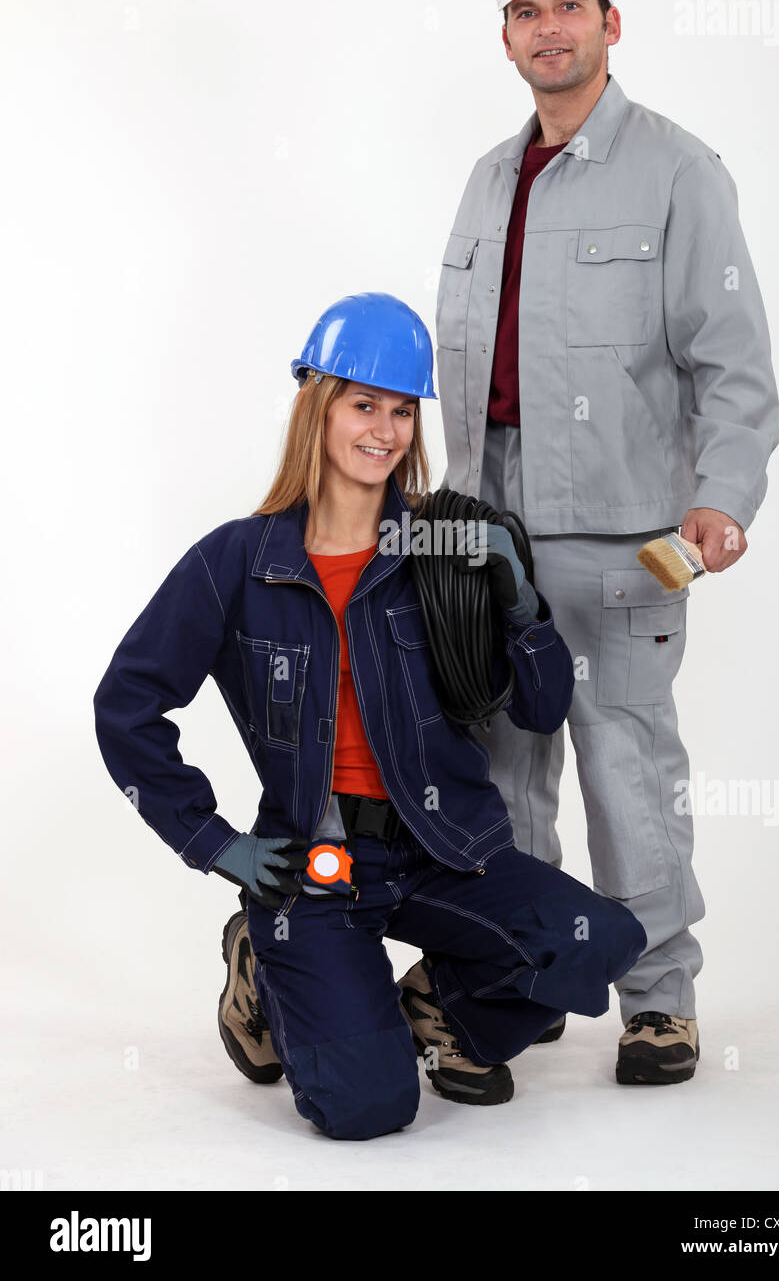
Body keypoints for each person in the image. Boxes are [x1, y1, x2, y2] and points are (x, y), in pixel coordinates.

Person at [93, 292, 646, 1141]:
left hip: (444, 848)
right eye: (362, 404)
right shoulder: (238, 562)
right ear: (317, 402)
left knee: (599, 940)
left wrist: (521, 607)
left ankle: (438, 1006)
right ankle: (263, 960)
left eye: (401, 410)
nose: (384, 431)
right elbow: (126, 706)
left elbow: (540, 710)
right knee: (368, 1108)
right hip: (312, 865)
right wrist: (216, 844)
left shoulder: (442, 550)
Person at [433, 0, 779, 1084]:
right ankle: (529, 977)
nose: (547, 29)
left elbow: (731, 366)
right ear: (504, 39)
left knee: (623, 760)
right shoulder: (489, 178)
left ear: (609, 25)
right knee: (499, 764)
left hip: (627, 534)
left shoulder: (679, 172)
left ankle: (657, 998)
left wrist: (719, 497)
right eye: (524, 13)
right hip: (491, 524)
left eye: (567, 9)